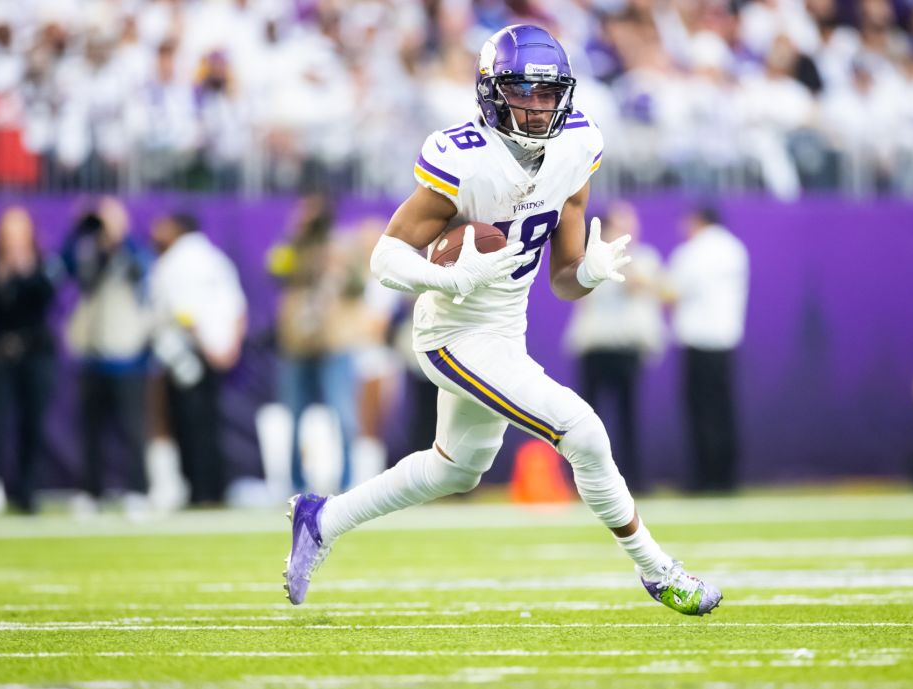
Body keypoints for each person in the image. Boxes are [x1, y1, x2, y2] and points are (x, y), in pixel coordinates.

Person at [283, 25, 721, 617]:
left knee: (455, 468)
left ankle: (322, 518)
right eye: (524, 92)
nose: (539, 107)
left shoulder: (577, 145)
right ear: (491, 91)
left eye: (550, 94)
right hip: (451, 334)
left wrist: (587, 272)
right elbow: (384, 256)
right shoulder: (464, 159)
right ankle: (656, 569)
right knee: (584, 433)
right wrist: (447, 278)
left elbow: (563, 282)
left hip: (503, 332)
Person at [562, 201, 666, 492]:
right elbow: (578, 294)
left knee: (628, 417)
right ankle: (585, 481)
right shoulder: (590, 258)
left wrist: (624, 259)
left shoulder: (643, 257)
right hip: (595, 345)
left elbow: (646, 287)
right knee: (587, 420)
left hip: (627, 347)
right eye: (621, 223)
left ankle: (632, 481)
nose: (629, 228)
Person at [266, 195, 367, 493]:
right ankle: (295, 484)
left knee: (344, 415)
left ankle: (348, 483)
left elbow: (359, 286)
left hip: (335, 341)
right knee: (294, 416)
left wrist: (339, 266)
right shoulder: (290, 246)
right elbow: (274, 272)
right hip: (297, 342)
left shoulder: (343, 244)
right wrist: (294, 235)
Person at [61, 198, 154, 515]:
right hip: (91, 352)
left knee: (132, 428)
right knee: (90, 430)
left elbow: (142, 271)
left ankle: (138, 490)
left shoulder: (133, 250)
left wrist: (118, 238)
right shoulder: (87, 250)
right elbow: (65, 267)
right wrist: (80, 230)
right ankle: (90, 490)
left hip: (125, 353)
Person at [148, 213, 247, 506]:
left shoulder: (174, 261)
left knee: (189, 425)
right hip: (218, 351)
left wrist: (206, 346)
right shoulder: (216, 258)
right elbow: (238, 307)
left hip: (189, 353)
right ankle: (214, 490)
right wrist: (229, 347)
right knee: (210, 424)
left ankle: (198, 490)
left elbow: (183, 312)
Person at [0, 206, 58, 514]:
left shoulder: (44, 265)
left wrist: (25, 272)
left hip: (35, 354)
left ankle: (27, 493)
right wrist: (2, 277)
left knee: (32, 426)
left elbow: (46, 296)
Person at [665, 206, 750, 494]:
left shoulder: (694, 252)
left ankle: (704, 478)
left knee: (701, 412)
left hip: (699, 340)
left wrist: (640, 281)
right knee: (723, 410)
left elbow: (672, 292)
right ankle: (726, 477)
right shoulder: (735, 249)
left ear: (698, 221)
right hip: (726, 339)